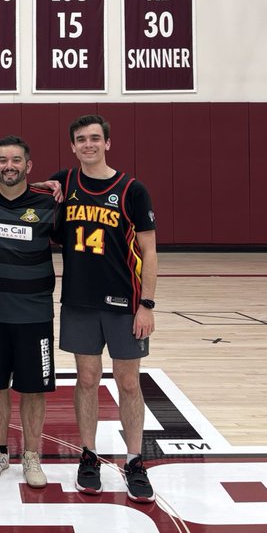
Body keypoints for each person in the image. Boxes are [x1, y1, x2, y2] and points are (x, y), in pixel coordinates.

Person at [53, 114, 159, 503]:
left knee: (129, 383)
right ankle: (88, 455)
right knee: (86, 380)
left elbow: (149, 251)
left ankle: (134, 461)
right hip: (80, 301)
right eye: (81, 139)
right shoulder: (64, 182)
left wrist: (146, 305)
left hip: (124, 304)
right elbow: (21, 192)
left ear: (108, 143)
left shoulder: (133, 189)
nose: (89, 145)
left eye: (95, 138)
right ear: (73, 146)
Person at [0, 136, 59, 488]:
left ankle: (32, 455)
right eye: (2, 160)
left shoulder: (49, 202)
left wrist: (57, 182)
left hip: (34, 314)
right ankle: (1, 450)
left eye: (16, 160)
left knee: (33, 389)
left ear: (28, 166)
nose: (9, 166)